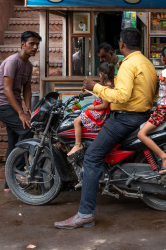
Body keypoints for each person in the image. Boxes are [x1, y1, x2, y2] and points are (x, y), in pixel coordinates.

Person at [54, 28, 157, 230]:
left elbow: (121, 96)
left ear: (121, 45)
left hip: (125, 118)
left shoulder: (128, 65)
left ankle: (85, 214)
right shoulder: (147, 63)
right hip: (141, 116)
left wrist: (95, 87)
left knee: (92, 157)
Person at [0, 31, 42, 192]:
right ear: (22, 44)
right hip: (1, 103)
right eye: (31, 44)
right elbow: (7, 90)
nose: (34, 47)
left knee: (14, 141)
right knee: (26, 130)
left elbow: (27, 87)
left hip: (13, 103)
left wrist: (28, 107)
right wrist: (20, 112)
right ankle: (18, 171)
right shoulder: (13, 61)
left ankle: (8, 185)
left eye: (37, 45)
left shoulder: (28, 65)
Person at [67, 62, 115, 156]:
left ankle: (77, 144)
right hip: (103, 113)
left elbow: (104, 105)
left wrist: (91, 107)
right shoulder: (112, 86)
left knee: (76, 121)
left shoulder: (106, 88)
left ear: (101, 76)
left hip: (99, 114)